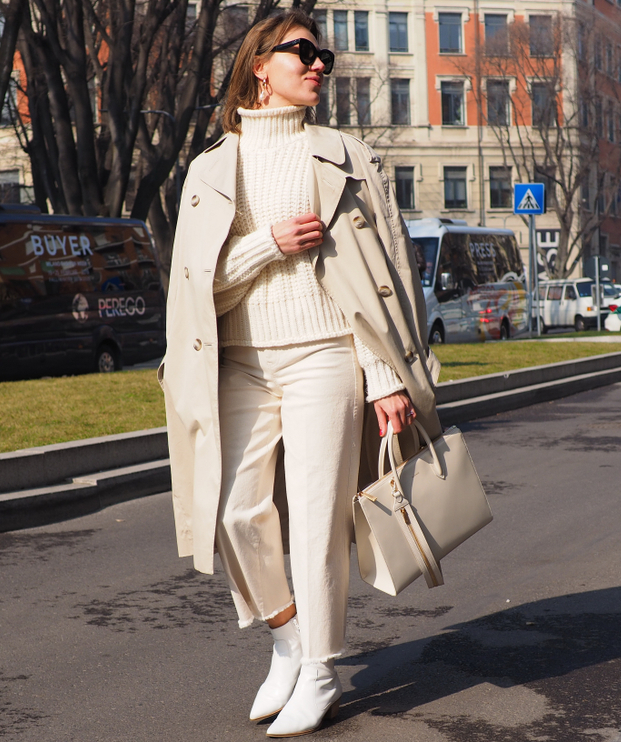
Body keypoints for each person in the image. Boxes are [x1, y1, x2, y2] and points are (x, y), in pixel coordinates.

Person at [160, 10, 441, 737]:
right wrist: (268, 246)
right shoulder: (210, 169)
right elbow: (198, 289)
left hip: (327, 356)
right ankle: (287, 640)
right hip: (242, 363)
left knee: (317, 516)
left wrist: (385, 375)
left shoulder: (346, 156)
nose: (319, 65)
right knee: (233, 512)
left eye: (325, 58)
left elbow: (386, 279)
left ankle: (319, 668)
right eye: (303, 52)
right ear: (259, 63)